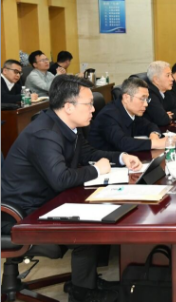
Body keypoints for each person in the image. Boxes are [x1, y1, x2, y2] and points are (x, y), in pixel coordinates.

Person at [1, 75, 142, 302]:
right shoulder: (45, 134)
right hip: (23, 213)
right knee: (89, 228)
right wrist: (96, 170)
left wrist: (121, 157)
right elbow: (61, 179)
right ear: (68, 106)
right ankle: (82, 292)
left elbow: (89, 153)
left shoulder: (68, 126)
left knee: (103, 212)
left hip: (47, 200)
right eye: (88, 104)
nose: (93, 109)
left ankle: (86, 283)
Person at [88, 77, 166, 152]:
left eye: (147, 99)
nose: (146, 104)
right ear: (126, 98)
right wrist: (156, 143)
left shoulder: (131, 111)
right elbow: (123, 143)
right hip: (104, 159)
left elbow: (149, 125)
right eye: (142, 99)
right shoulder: (108, 116)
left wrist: (154, 135)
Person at [142, 61, 175, 127]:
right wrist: (165, 116)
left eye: (171, 75)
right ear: (156, 79)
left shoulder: (166, 90)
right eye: (168, 75)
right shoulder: (149, 93)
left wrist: (168, 116)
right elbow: (162, 119)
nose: (172, 79)